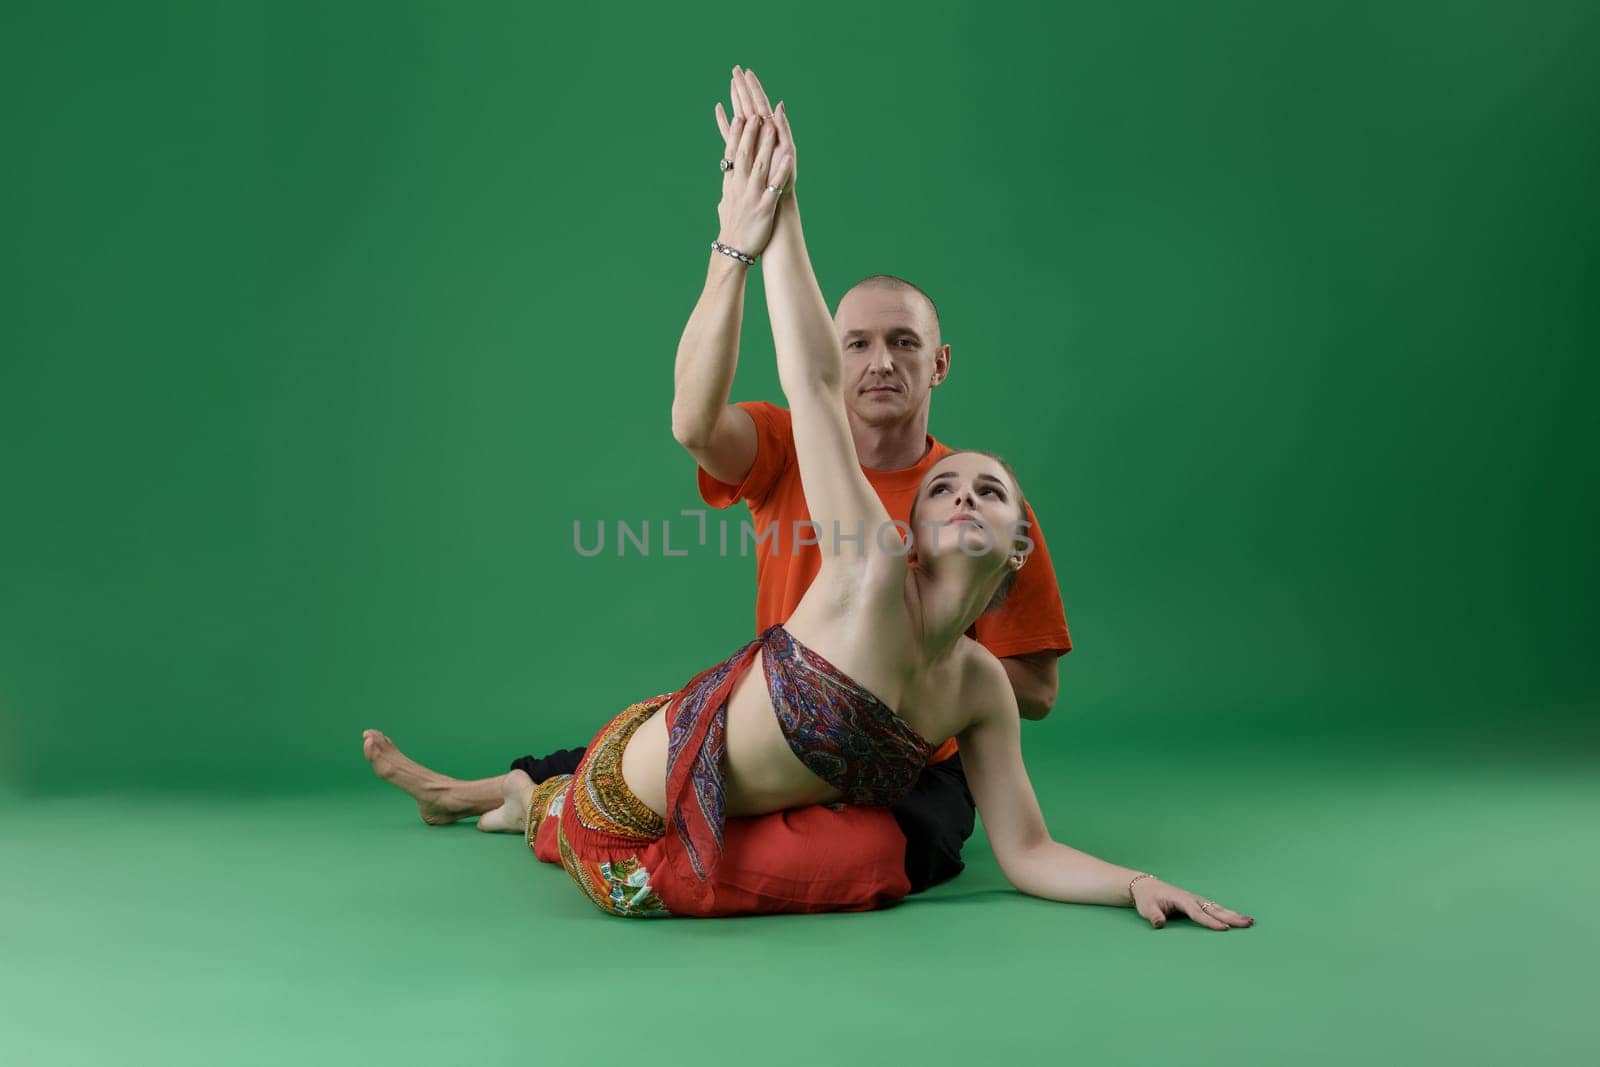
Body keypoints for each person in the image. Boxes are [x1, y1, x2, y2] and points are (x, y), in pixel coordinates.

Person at [367, 70, 1253, 930]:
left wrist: (1136, 881)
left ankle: (535, 800)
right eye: (949, 487)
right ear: (905, 527)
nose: (969, 494)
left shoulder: (979, 682)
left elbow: (1028, 850)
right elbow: (805, 383)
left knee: (871, 854)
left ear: (1019, 542)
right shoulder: (866, 553)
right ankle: (531, 803)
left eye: (993, 492)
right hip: (656, 778)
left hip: (837, 765)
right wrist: (773, 210)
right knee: (603, 793)